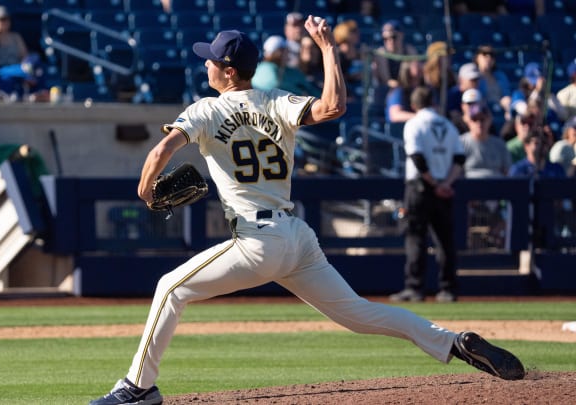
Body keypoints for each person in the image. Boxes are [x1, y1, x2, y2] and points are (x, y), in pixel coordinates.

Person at [88, 19, 525, 405]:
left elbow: (163, 147)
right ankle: (454, 342)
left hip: (258, 241)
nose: (205, 65)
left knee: (169, 288)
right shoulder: (278, 101)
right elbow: (334, 107)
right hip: (297, 237)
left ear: (227, 70)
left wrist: (146, 189)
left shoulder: (205, 109)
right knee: (359, 313)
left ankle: (138, 386)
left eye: (210, 60)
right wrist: (328, 48)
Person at [390, 86, 465, 303]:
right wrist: (445, 184)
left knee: (415, 238)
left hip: (420, 187)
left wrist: (432, 183)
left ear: (413, 105)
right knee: (445, 241)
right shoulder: (448, 125)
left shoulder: (414, 124)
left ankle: (414, 288)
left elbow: (417, 157)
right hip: (444, 186)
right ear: (432, 102)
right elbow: (459, 159)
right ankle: (448, 289)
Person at [460, 89, 511, 178]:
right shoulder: (461, 143)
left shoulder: (499, 144)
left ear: (489, 120)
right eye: (475, 119)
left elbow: (508, 172)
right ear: (469, 122)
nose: (479, 124)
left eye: (482, 119)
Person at [251, 35, 321, 97]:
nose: (288, 53)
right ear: (279, 52)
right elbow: (274, 88)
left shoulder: (258, 68)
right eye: (286, 50)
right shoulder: (268, 68)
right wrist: (299, 92)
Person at [372, 20, 417, 89]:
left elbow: (415, 77)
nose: (390, 41)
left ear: (401, 35)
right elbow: (386, 80)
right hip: (386, 90)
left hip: (407, 89)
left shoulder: (409, 51)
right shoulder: (380, 54)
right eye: (385, 38)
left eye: (393, 37)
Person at [473, 45, 511, 117]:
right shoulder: (473, 77)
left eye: (491, 55)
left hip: (501, 109)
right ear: (477, 57)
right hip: (482, 111)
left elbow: (506, 95)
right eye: (484, 54)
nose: (488, 58)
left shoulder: (501, 76)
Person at [385, 59, 424, 123]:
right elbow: (395, 115)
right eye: (416, 65)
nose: (421, 66)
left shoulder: (424, 89)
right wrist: (420, 117)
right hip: (400, 129)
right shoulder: (398, 91)